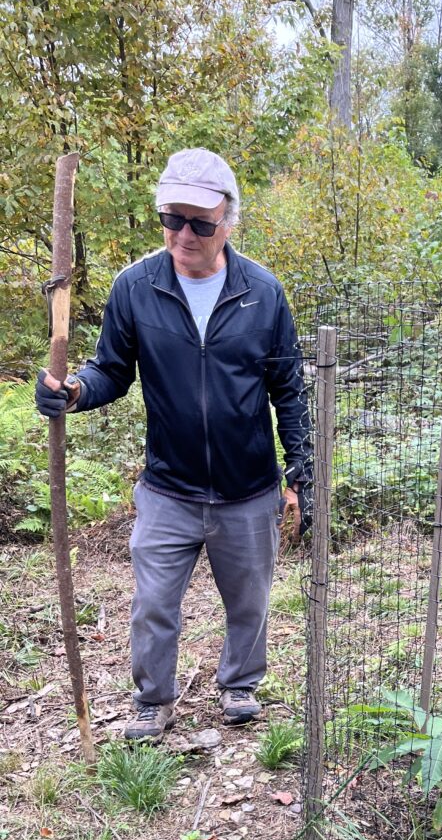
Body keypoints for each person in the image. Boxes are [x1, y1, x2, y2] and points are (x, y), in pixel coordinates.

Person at [35, 147, 312, 741]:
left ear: (228, 222)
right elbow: (112, 368)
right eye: (172, 219)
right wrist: (76, 391)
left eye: (200, 222)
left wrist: (301, 472)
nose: (183, 234)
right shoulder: (135, 286)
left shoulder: (263, 293)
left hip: (247, 488)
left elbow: (288, 390)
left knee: (250, 603)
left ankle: (239, 685)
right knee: (154, 604)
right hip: (168, 486)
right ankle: (153, 700)